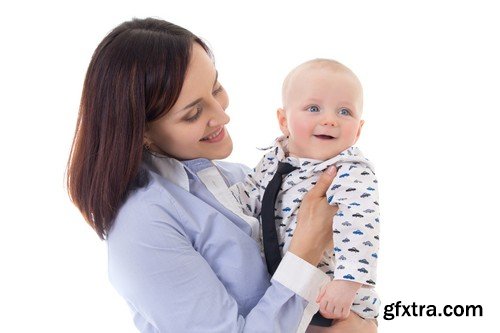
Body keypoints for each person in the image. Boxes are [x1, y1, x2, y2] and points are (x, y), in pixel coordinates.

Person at [66, 18, 376, 332]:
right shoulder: (143, 226)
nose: (222, 115)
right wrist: (305, 250)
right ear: (143, 131)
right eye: (193, 113)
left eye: (216, 88)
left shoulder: (238, 180)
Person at [230, 59, 380, 329]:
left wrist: (346, 284)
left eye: (345, 112)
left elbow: (362, 226)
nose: (330, 120)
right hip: (284, 294)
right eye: (314, 108)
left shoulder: (349, 171)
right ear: (284, 120)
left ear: (358, 130)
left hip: (332, 298)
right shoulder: (273, 160)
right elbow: (247, 199)